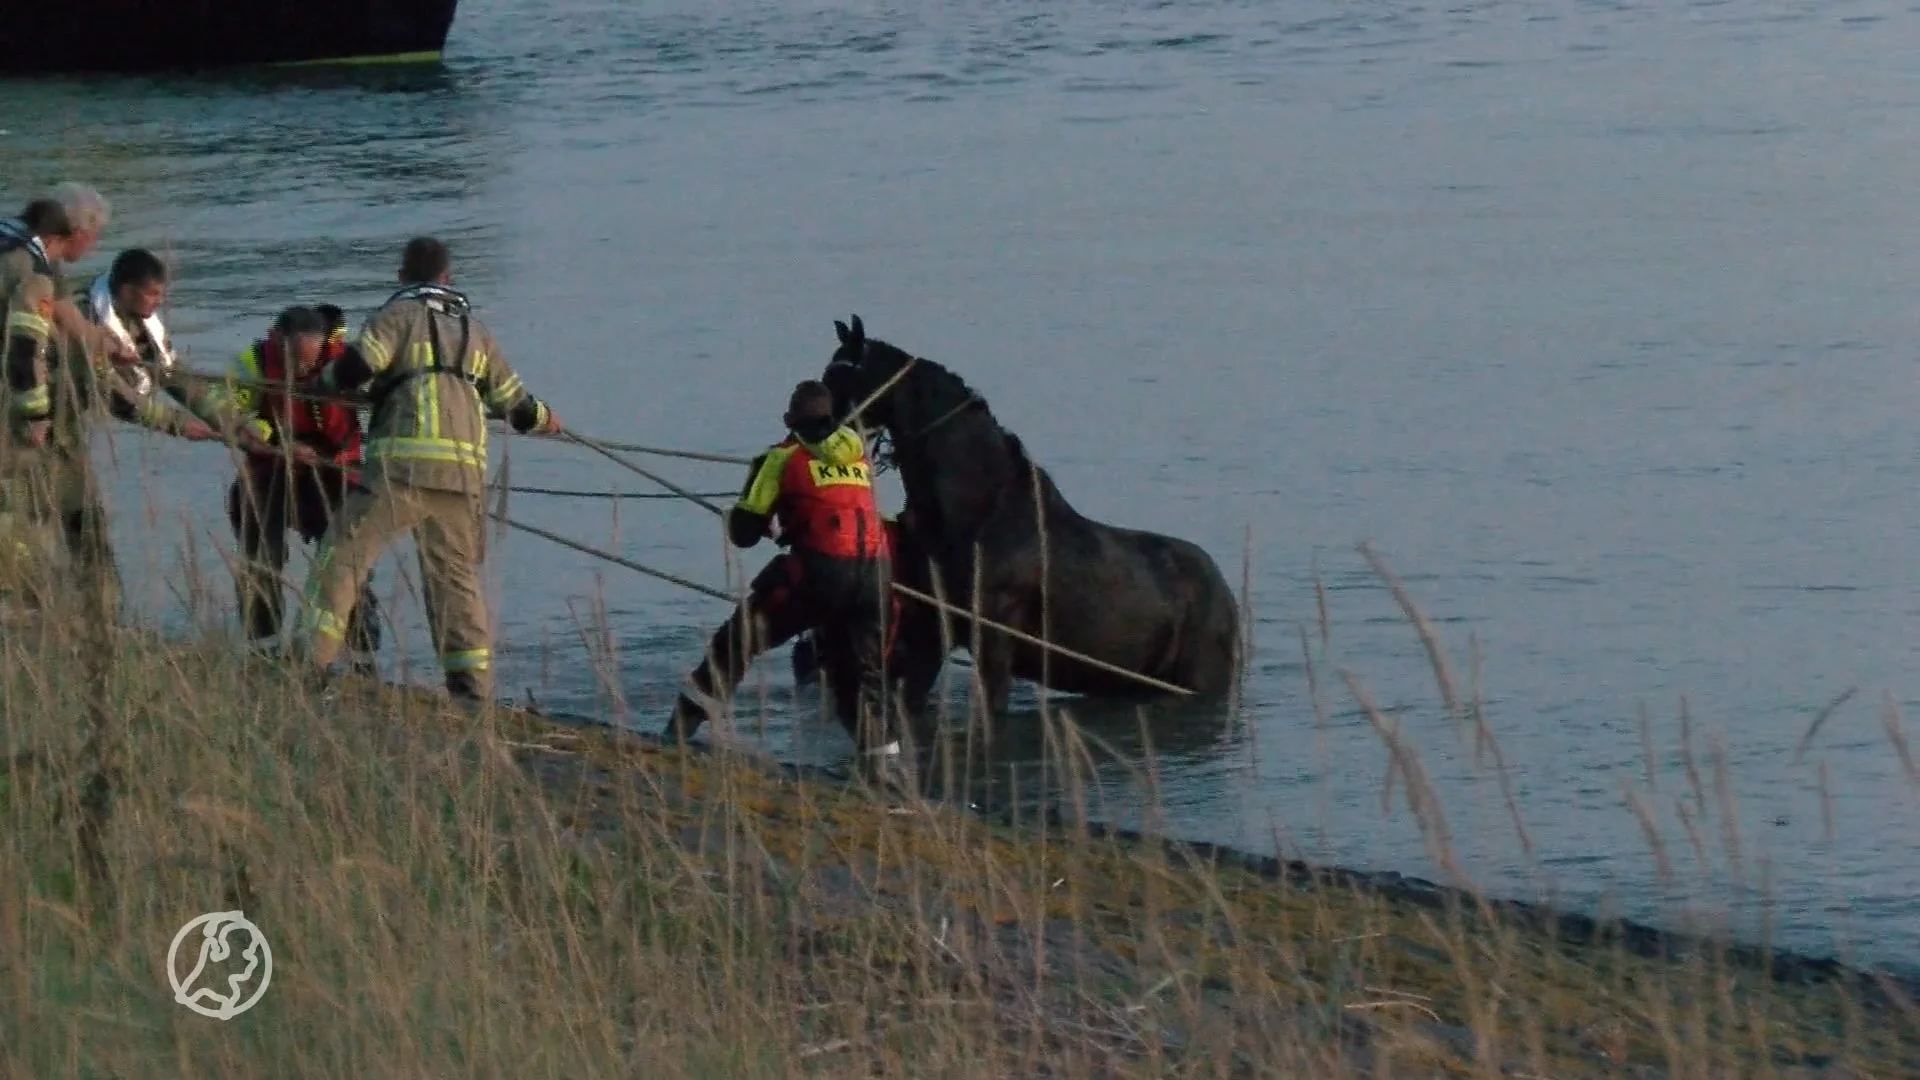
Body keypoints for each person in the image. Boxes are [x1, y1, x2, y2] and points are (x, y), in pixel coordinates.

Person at [295, 236, 561, 703]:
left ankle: (308, 666)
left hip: (401, 470)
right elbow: (517, 407)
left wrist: (321, 385)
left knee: (342, 555)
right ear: (447, 277)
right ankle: (471, 691)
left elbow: (355, 370)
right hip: (462, 478)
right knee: (455, 581)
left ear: (402, 277)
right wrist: (547, 421)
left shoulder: (397, 317)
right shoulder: (477, 333)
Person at [663, 379, 902, 782]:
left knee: (738, 638)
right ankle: (889, 775)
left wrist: (746, 518)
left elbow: (743, 533)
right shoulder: (859, 455)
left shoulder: (780, 458)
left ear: (789, 419)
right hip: (876, 577)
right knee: (861, 677)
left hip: (821, 573)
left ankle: (677, 734)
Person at [0, 194, 219, 617]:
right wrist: (34, 416)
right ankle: (39, 613)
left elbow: (72, 322)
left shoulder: (29, 255)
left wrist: (104, 343)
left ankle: (91, 612)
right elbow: (30, 350)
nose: (95, 245)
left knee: (74, 521)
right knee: (29, 521)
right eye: (94, 235)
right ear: (76, 232)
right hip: (28, 424)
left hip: (56, 428)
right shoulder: (31, 273)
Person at [191, 304, 381, 666]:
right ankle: (263, 653)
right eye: (295, 360)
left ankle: (363, 660)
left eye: (310, 361)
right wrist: (273, 440)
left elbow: (381, 400)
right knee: (261, 563)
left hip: (335, 473)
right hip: (271, 469)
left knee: (349, 566)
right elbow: (221, 405)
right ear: (278, 339)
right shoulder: (253, 363)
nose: (303, 370)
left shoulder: (348, 362)